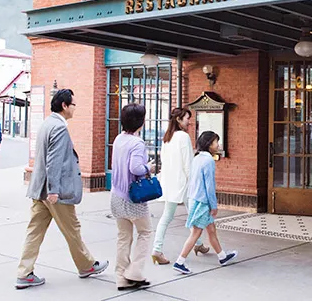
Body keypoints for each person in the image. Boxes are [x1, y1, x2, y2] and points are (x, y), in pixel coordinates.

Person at [15, 89, 108, 290]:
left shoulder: (47, 124)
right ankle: (87, 265)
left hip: (39, 189)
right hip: (52, 191)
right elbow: (54, 161)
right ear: (64, 106)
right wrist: (54, 190)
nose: (75, 108)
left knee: (34, 231)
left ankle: (24, 273)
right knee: (72, 229)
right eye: (73, 104)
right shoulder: (59, 128)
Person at [172, 131, 237, 275]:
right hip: (203, 202)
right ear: (209, 144)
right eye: (215, 142)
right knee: (196, 233)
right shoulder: (208, 161)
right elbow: (209, 185)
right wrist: (213, 205)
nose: (217, 145)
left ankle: (222, 256)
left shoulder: (197, 158)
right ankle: (180, 261)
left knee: (211, 230)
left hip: (195, 198)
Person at [151, 108, 209, 265]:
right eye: (186, 118)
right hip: (184, 184)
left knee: (167, 216)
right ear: (178, 119)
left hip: (170, 182)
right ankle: (198, 244)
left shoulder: (167, 138)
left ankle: (157, 249)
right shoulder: (183, 137)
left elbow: (164, 161)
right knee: (195, 215)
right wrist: (195, 183)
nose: (189, 122)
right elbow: (188, 164)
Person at [110, 103, 154, 290]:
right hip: (132, 198)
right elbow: (135, 168)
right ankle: (134, 272)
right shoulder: (137, 143)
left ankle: (121, 277)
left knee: (123, 237)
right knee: (145, 232)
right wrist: (148, 168)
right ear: (140, 122)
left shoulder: (119, 138)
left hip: (116, 197)